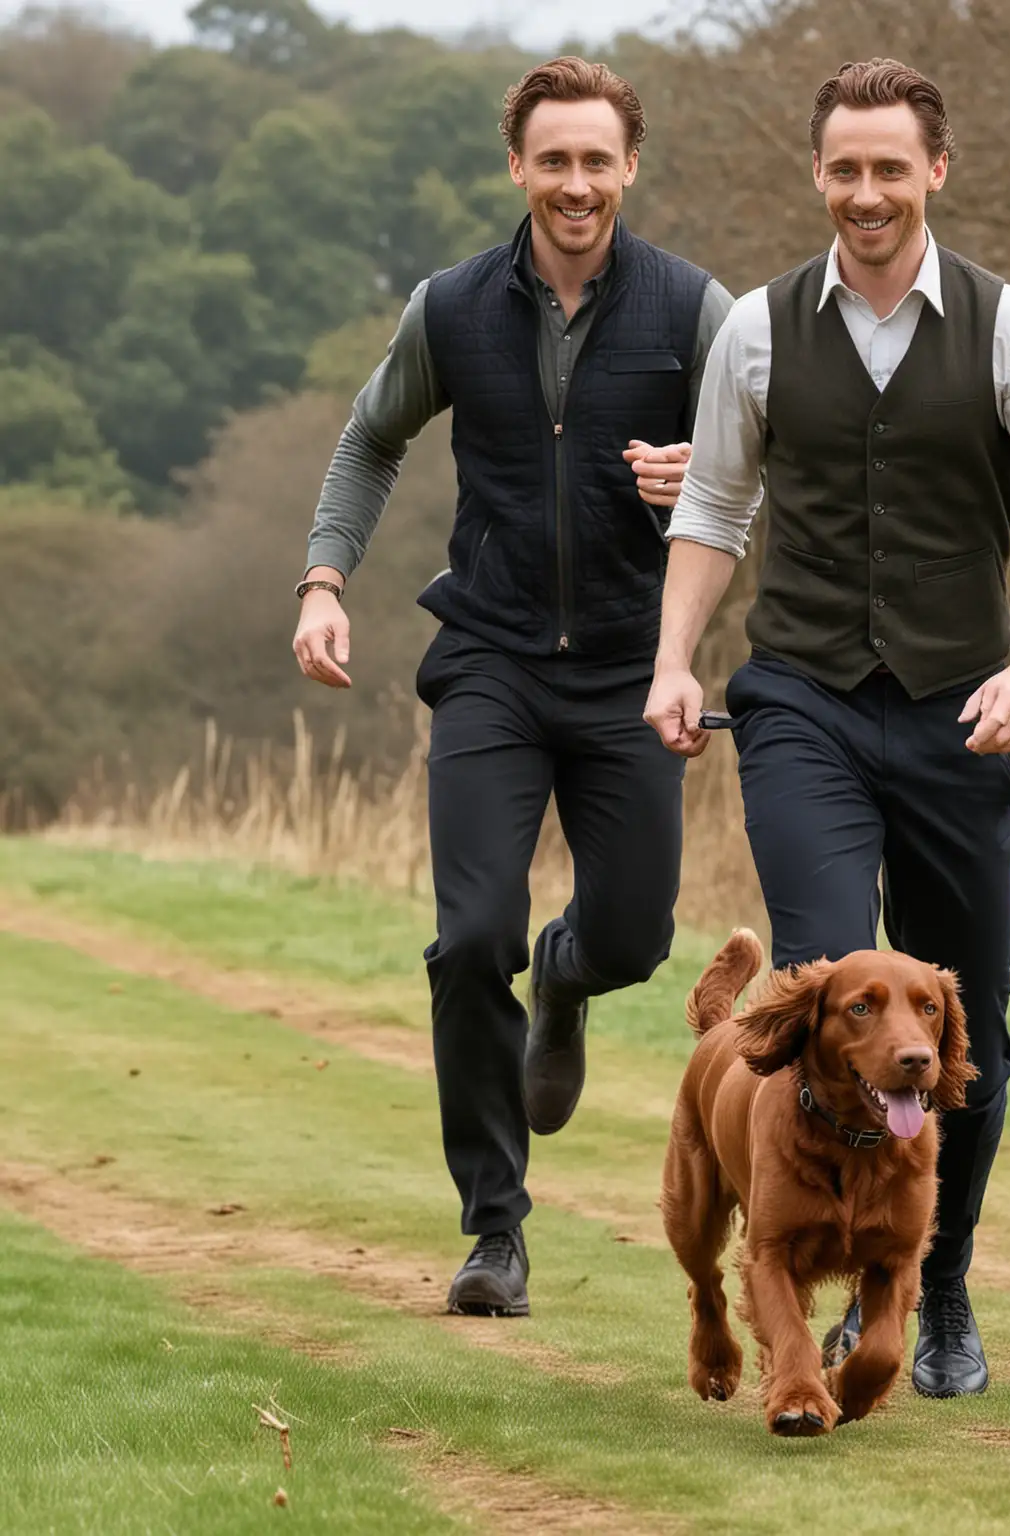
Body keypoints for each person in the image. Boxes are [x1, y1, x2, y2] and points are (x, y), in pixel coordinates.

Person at [644, 57, 1010, 1398]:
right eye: (844, 169)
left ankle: (938, 1282)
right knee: (822, 982)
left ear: (936, 171)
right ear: (818, 175)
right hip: (797, 693)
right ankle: (794, 1276)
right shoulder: (755, 330)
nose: (867, 192)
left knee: (970, 1023)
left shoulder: (1008, 327)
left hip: (957, 712)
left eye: (890, 168)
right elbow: (715, 511)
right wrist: (679, 660)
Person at [292, 57, 731, 1319]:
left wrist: (701, 480)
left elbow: (765, 470)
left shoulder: (696, 311)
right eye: (555, 160)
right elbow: (370, 439)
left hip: (632, 669)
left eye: (599, 160)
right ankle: (495, 1230)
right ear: (518, 168)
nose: (577, 182)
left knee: (639, 935)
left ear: (629, 167)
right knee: (466, 939)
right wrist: (324, 580)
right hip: (486, 659)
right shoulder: (451, 309)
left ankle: (573, 974)